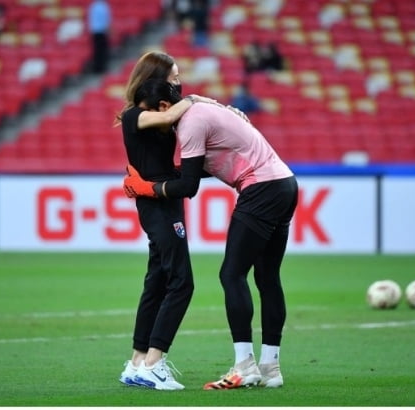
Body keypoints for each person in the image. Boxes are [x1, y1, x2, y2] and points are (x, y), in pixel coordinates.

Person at [123, 79, 299, 390]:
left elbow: (188, 186)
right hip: (285, 183)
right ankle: (271, 367)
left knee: (231, 275)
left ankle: (244, 365)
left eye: (152, 114)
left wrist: (147, 188)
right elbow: (200, 167)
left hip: (259, 189)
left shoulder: (190, 122)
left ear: (164, 107)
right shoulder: (204, 112)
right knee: (268, 278)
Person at [114, 51, 217, 390]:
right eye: (173, 78)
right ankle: (155, 363)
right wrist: (192, 99)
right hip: (157, 205)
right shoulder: (135, 117)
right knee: (182, 283)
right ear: (154, 80)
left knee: (157, 281)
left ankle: (136, 362)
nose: (178, 83)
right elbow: (168, 116)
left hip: (164, 200)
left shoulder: (161, 115)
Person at [87, 0, 111, 73]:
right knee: (102, 51)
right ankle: (101, 67)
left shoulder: (93, 5)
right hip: (102, 31)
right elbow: (106, 19)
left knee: (97, 51)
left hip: (95, 32)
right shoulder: (103, 5)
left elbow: (90, 19)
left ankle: (97, 68)